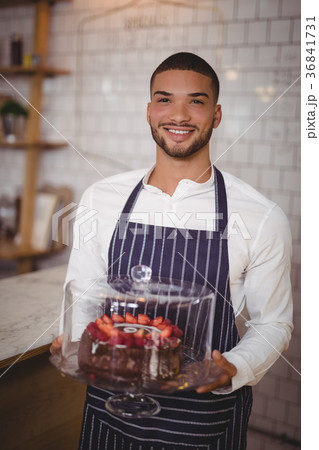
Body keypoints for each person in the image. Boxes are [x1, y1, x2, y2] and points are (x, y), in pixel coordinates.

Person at [51, 52, 293, 449]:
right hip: (109, 411)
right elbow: (85, 293)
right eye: (165, 99)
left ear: (215, 115)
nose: (178, 114)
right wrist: (78, 346)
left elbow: (273, 323)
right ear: (149, 111)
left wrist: (234, 367)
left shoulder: (261, 215)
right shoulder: (103, 197)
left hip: (202, 422)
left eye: (195, 101)